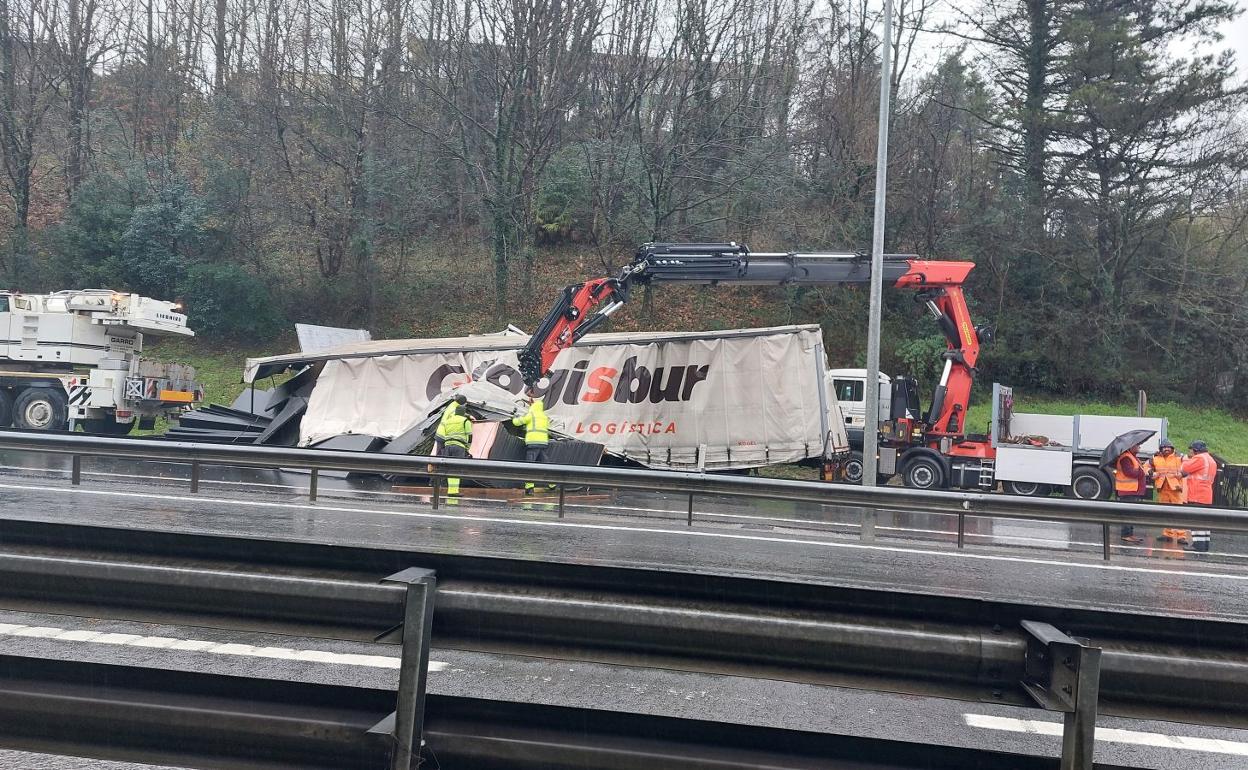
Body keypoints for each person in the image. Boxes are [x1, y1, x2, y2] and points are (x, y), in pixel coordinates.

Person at [1148, 439, 1189, 544]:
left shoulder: (1180, 457)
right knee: (1165, 512)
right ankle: (1167, 534)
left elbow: (1189, 467)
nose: (1166, 449)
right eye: (1164, 447)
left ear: (1172, 448)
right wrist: (1151, 473)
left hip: (1175, 488)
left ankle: (1181, 536)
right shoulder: (1154, 458)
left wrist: (1182, 473)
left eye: (1168, 447)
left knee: (1178, 512)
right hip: (1162, 488)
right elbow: (1146, 467)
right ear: (1161, 449)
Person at [513, 388, 554, 494]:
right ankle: (552, 484)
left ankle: (529, 487)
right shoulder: (544, 416)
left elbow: (517, 423)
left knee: (529, 465)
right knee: (546, 463)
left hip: (533, 442)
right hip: (543, 443)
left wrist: (515, 417)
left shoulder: (531, 415)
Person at [1182, 440, 1218, 552]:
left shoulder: (1199, 458)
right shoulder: (1211, 459)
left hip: (1196, 495)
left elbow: (1184, 469)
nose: (1190, 452)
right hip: (1206, 495)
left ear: (1195, 450)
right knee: (1204, 522)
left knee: (1196, 521)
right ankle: (1204, 544)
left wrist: (1185, 459)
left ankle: (1198, 545)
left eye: (1191, 450)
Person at [435, 394, 472, 499]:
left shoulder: (452, 405)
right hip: (446, 437)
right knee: (451, 465)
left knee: (445, 463)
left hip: (446, 439)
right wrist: (468, 418)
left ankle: (440, 484)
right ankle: (439, 483)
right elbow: (468, 433)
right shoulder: (455, 410)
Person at [1115, 443, 1149, 543]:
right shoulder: (1126, 458)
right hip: (1128, 490)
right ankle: (1126, 535)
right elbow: (1130, 473)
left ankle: (1130, 534)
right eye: (1137, 445)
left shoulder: (1132, 457)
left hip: (1133, 490)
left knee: (1131, 513)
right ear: (1131, 447)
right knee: (1127, 513)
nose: (1139, 447)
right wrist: (1142, 472)